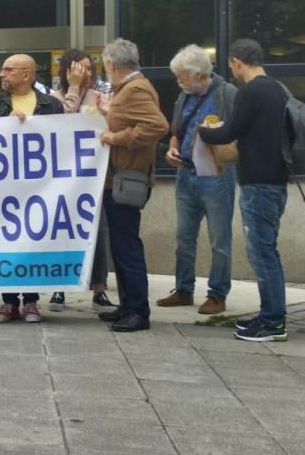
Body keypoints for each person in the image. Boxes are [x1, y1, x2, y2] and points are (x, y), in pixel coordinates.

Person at [199, 39, 290, 342]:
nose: (233, 72)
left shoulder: (250, 91)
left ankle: (274, 322)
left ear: (237, 62)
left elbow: (229, 132)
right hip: (275, 182)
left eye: (232, 67)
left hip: (258, 184)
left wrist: (203, 131)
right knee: (267, 251)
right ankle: (269, 315)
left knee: (262, 253)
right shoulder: (277, 89)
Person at [0, 53, 65, 323]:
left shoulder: (50, 105)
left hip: (39, 187)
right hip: (2, 186)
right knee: (5, 241)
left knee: (33, 240)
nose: (2, 74)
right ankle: (8, 302)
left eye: (8, 70)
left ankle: (31, 301)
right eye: (2, 70)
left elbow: (61, 142)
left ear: (27, 74)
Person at [96, 38, 168, 333]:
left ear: (111, 64)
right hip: (122, 176)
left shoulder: (135, 89)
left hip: (127, 179)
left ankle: (138, 310)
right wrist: (107, 114)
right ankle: (127, 305)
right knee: (122, 245)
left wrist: (116, 138)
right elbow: (130, 120)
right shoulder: (130, 88)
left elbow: (157, 126)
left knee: (127, 247)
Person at [159, 44, 237, 315]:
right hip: (186, 172)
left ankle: (217, 294)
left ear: (198, 74)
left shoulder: (227, 95)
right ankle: (183, 289)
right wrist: (171, 148)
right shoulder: (184, 97)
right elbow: (176, 131)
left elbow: (240, 132)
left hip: (217, 175)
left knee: (219, 238)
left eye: (182, 76)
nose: (178, 81)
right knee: (184, 237)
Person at [47, 50, 118, 314]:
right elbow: (63, 121)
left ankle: (99, 289)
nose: (86, 74)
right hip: (62, 178)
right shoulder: (54, 98)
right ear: (68, 71)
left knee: (98, 231)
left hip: (93, 176)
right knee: (62, 230)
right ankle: (59, 287)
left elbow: (111, 125)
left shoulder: (102, 97)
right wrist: (73, 89)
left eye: (90, 69)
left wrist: (106, 112)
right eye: (80, 69)